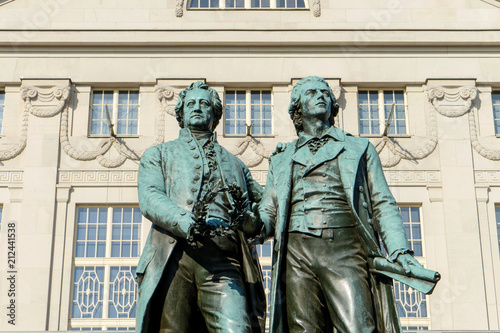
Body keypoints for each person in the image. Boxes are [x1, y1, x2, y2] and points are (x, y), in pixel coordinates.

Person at [258, 76, 425, 333]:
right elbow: (268, 213)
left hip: (344, 248)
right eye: (312, 93)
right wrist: (251, 223)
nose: (321, 96)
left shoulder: (359, 147)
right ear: (298, 107)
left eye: (325, 92)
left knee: (357, 326)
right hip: (296, 253)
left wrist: (400, 251)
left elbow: (382, 203)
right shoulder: (281, 158)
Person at [136, 81, 265, 333]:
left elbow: (263, 211)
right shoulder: (159, 154)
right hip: (175, 256)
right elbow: (150, 196)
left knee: (237, 328)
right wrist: (185, 221)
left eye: (204, 103)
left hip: (224, 260)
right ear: (181, 113)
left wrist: (251, 221)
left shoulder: (237, 164)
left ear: (215, 115)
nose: (197, 107)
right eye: (191, 103)